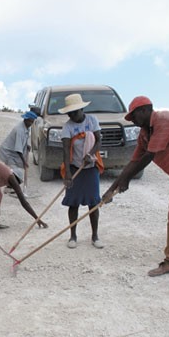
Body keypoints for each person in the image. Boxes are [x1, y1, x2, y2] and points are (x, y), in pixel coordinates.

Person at [103, 96, 169, 280]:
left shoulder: (165, 121)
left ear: (145, 110)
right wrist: (112, 189)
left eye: (134, 117)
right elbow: (133, 161)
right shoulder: (145, 133)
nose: (133, 121)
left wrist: (127, 181)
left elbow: (149, 156)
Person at [59, 93, 105, 249]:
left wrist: (90, 154)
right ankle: (73, 236)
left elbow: (98, 141)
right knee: (73, 203)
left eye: (74, 112)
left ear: (82, 109)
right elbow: (66, 151)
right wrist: (68, 174)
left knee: (93, 203)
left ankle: (95, 236)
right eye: (69, 113)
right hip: (74, 167)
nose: (71, 115)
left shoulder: (92, 120)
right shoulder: (67, 127)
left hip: (90, 168)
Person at [0, 111, 37, 190]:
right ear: (26, 120)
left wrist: (27, 145)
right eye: (30, 121)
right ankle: (9, 188)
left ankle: (10, 187)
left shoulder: (26, 127)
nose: (31, 123)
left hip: (13, 153)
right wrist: (24, 162)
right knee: (17, 174)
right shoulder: (19, 130)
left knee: (15, 172)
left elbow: (26, 138)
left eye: (33, 121)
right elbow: (18, 149)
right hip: (8, 153)